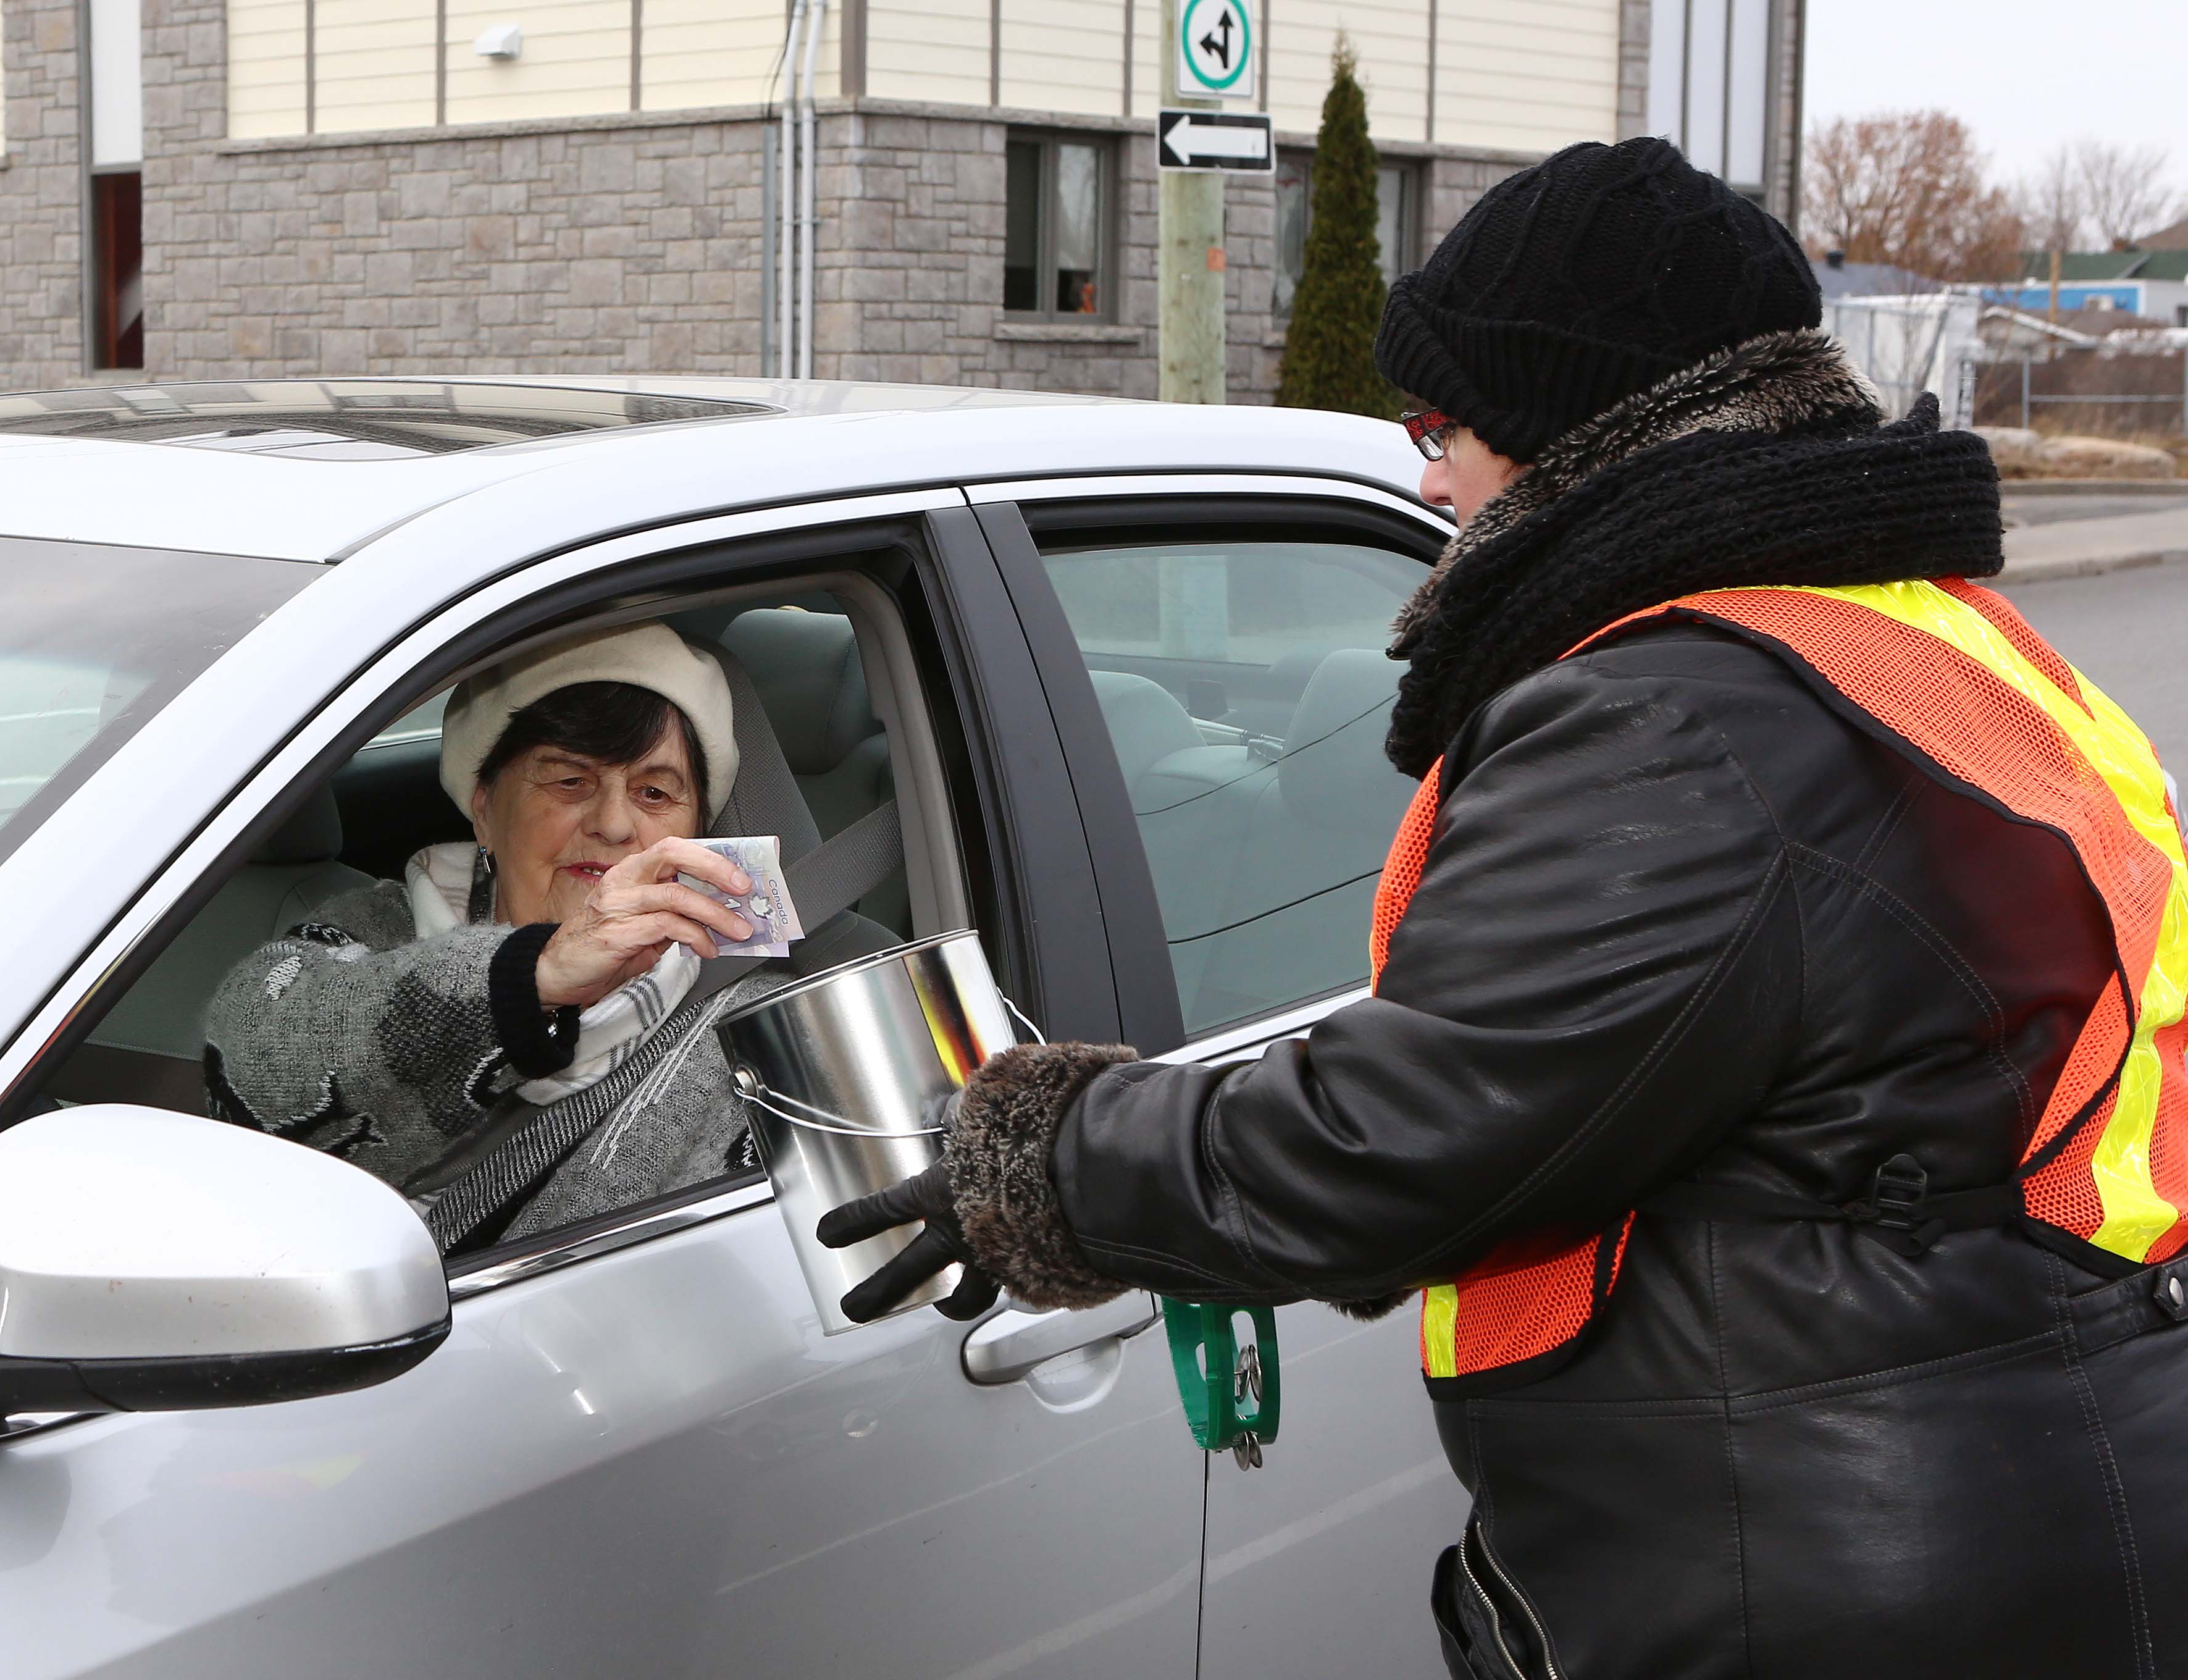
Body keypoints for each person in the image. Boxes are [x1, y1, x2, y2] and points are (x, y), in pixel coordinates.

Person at [821, 138, 2188, 1678]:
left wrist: (1056, 1157)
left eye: (1440, 424)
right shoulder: (1923, 636)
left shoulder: (1670, 722)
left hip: (1820, 1575)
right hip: (2020, 1473)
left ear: (1571, 427)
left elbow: (1411, 1134)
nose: (1423, 476)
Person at [206, 621, 786, 1246]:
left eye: (654, 791)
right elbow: (245, 1071)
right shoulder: (374, 928)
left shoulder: (756, 1024)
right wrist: (526, 980)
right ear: (484, 807)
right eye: (570, 780)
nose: (615, 822)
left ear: (696, 830)